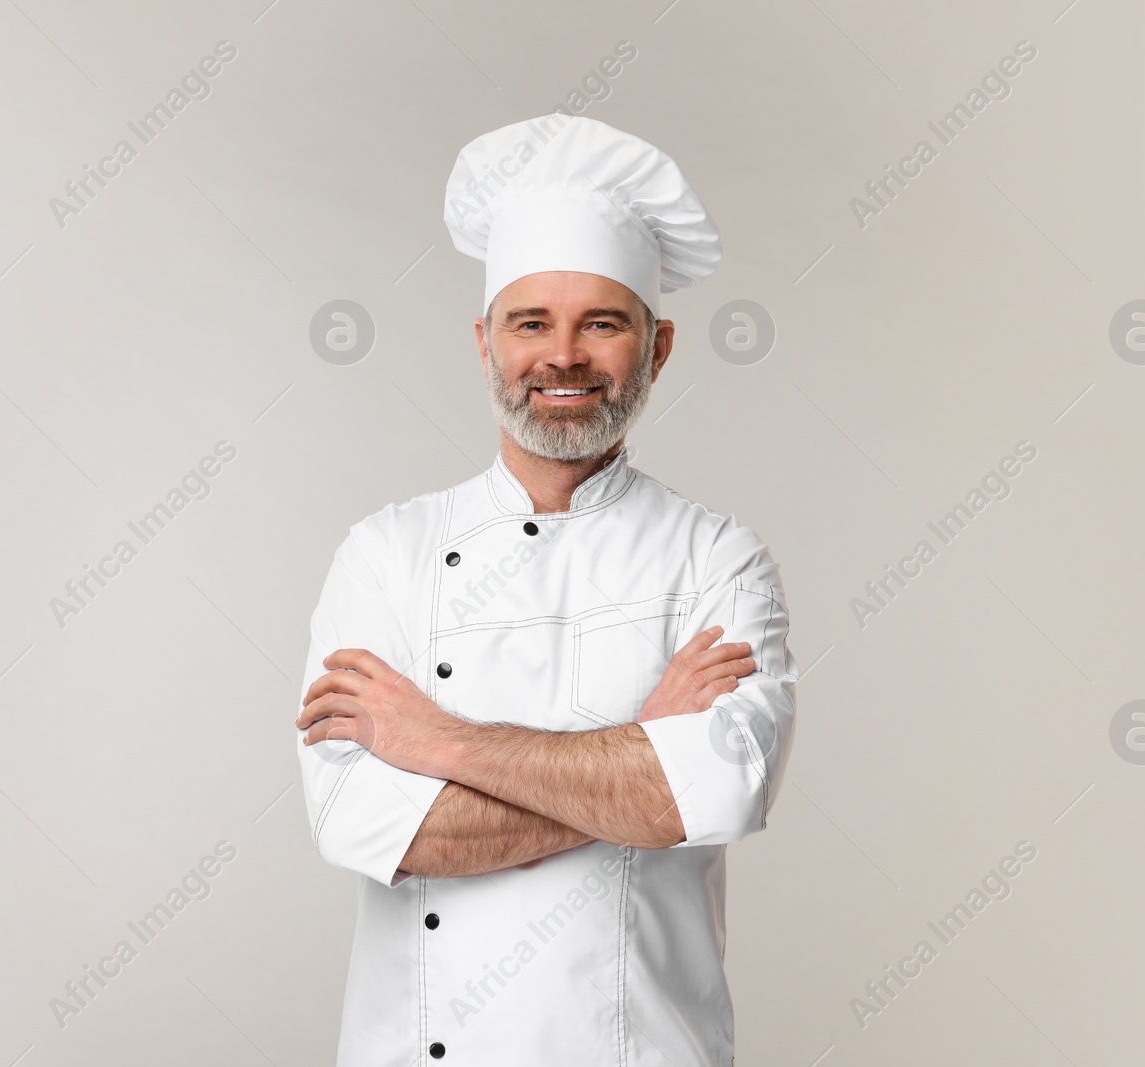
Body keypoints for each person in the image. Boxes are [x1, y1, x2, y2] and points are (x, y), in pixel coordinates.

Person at [295, 112, 799, 1066]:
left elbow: (717, 792)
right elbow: (368, 825)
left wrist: (436, 742)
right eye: (532, 323)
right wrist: (639, 758)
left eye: (602, 324)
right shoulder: (385, 555)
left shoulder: (719, 557)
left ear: (658, 349)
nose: (562, 357)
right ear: (485, 343)